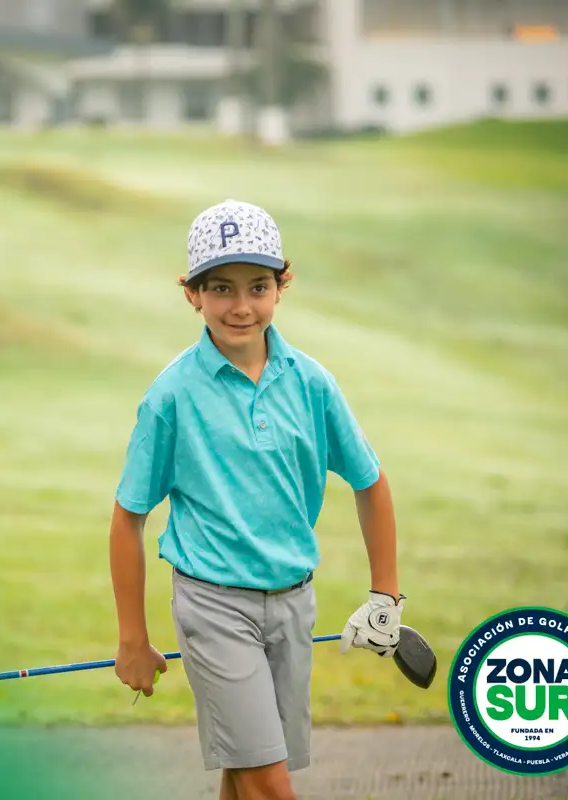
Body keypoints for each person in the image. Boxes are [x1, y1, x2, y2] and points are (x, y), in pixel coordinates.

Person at [108, 199, 405, 800]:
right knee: (270, 784)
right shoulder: (171, 396)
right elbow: (128, 517)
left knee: (247, 776)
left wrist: (385, 595)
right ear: (193, 295)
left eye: (257, 287)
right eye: (221, 288)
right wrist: (132, 639)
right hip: (213, 606)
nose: (241, 306)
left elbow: (370, 483)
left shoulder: (312, 383)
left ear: (281, 287)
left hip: (294, 602)